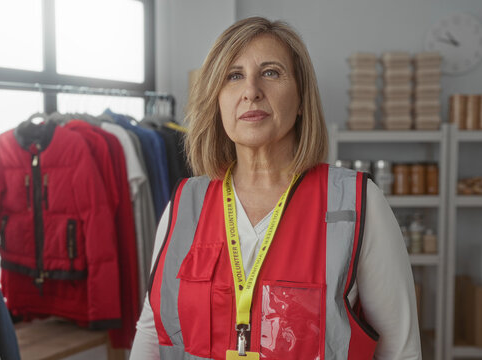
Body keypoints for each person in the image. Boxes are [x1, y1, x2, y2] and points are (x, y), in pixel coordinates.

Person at [130, 17, 421, 359]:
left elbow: (400, 350)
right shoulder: (184, 204)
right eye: (233, 76)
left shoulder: (358, 204)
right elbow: (153, 334)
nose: (251, 91)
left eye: (271, 72)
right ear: (217, 101)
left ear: (301, 101)